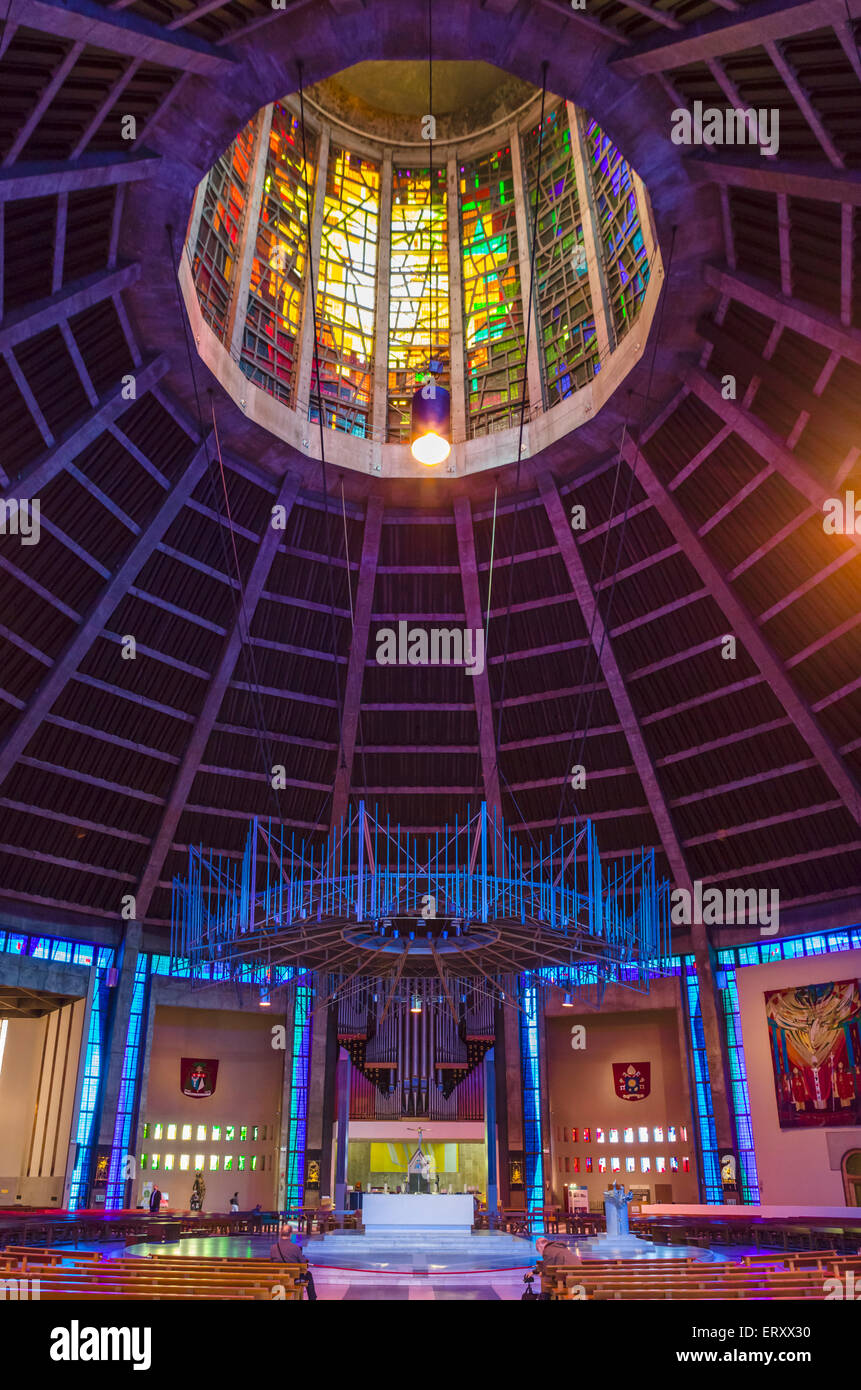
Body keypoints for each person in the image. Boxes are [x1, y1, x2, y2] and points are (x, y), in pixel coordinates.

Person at [270, 1223, 317, 1301]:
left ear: (280, 1233)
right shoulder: (295, 1248)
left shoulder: (273, 1248)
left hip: (278, 1276)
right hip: (293, 1278)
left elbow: (271, 1263)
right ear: (290, 1234)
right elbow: (303, 1264)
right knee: (308, 1275)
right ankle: (312, 1298)